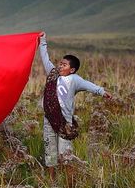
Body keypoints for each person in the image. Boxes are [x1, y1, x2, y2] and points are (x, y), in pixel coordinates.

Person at [38, 32, 112, 178]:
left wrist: (102, 92)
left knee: (65, 154)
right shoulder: (53, 74)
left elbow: (89, 85)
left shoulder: (74, 80)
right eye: (60, 63)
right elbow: (45, 58)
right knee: (50, 151)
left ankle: (67, 180)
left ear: (71, 69)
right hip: (49, 119)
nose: (60, 66)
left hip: (65, 123)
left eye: (64, 65)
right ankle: (52, 180)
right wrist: (42, 40)